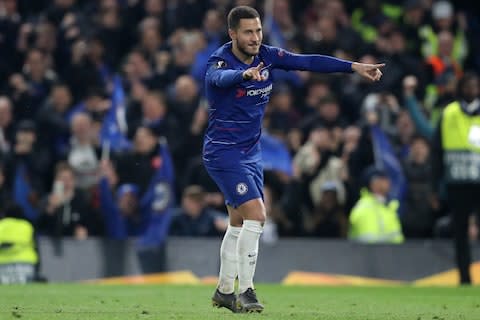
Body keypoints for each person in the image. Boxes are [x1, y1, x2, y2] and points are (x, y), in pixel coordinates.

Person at [204, 6, 384, 313]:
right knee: (258, 216)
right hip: (223, 152)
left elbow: (308, 61)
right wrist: (242, 74)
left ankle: (223, 290)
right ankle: (245, 291)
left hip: (251, 152)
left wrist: (353, 66)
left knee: (238, 222)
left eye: (258, 30)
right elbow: (218, 78)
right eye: (248, 32)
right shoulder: (220, 60)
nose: (255, 37)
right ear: (232, 33)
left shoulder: (268, 56)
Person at [432, 72, 480, 285]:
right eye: (468, 86)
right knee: (460, 233)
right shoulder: (449, 113)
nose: (472, 90)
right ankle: (464, 279)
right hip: (457, 181)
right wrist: (435, 186)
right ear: (461, 88)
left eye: (475, 86)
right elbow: (436, 151)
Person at [348, 167, 404, 244]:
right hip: (367, 255)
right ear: (374, 184)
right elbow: (368, 244)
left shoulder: (388, 207)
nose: (389, 182)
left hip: (391, 255)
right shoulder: (364, 209)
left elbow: (397, 239)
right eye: (384, 179)